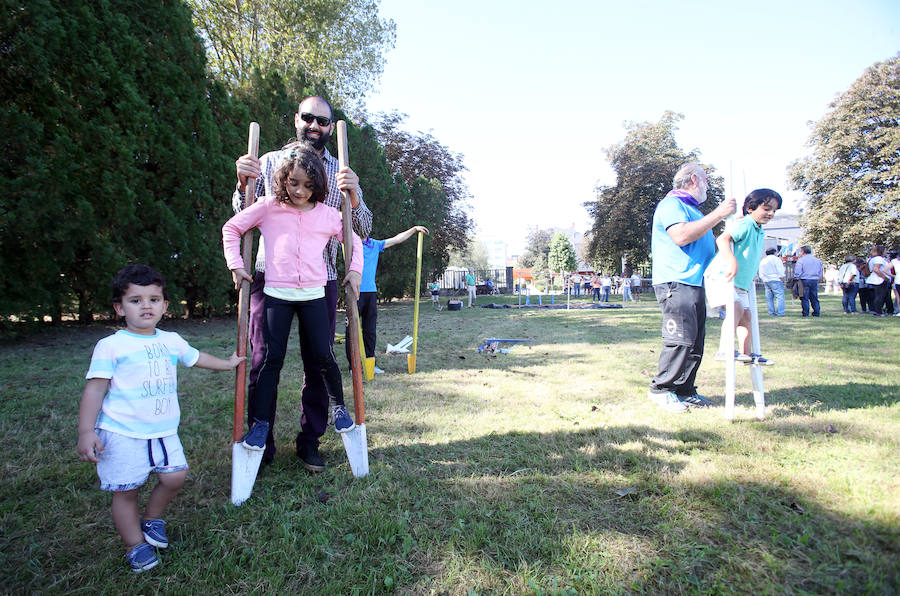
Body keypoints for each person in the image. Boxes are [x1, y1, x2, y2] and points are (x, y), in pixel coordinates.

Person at [233, 95, 372, 470]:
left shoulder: (340, 170)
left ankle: (310, 441)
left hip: (321, 282)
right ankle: (261, 444)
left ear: (331, 127)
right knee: (263, 361)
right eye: (308, 118)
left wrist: (354, 197)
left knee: (318, 361)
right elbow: (243, 216)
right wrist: (242, 182)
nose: (315, 126)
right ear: (296, 118)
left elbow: (361, 230)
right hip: (270, 279)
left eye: (323, 121)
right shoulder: (268, 163)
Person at [77, 265, 243, 573]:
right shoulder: (112, 345)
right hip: (122, 433)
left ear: (165, 306)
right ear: (119, 307)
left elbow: (196, 358)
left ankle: (153, 519)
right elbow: (95, 389)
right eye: (136, 300)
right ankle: (135, 544)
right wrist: (86, 431)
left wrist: (228, 364)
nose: (146, 306)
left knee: (174, 476)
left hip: (164, 431)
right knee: (126, 492)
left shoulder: (171, 340)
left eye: (154, 299)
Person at [648, 163, 736, 413]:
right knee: (680, 339)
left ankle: (685, 390)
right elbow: (682, 236)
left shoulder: (692, 210)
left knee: (695, 342)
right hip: (676, 281)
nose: (708, 187)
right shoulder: (671, 205)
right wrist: (718, 214)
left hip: (696, 282)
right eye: (707, 181)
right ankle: (661, 389)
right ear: (694, 179)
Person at [708, 189, 783, 365]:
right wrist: (732, 261)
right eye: (766, 208)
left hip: (741, 282)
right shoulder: (747, 224)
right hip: (722, 276)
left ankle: (747, 354)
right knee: (736, 309)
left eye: (774, 210)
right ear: (751, 208)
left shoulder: (759, 229)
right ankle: (724, 350)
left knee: (747, 316)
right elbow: (722, 240)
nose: (771, 213)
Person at [347, 225, 430, 373]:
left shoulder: (375, 244)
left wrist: (414, 229)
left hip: (371, 293)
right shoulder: (350, 243)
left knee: (370, 331)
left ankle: (370, 363)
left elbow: (397, 239)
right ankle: (353, 366)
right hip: (355, 292)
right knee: (352, 331)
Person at [793, 246, 823, 317]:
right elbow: (820, 271)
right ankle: (816, 312)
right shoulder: (817, 260)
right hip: (814, 280)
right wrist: (817, 278)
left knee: (804, 297)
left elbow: (798, 271)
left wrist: (796, 278)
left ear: (803, 252)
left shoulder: (801, 260)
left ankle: (805, 313)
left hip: (804, 280)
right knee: (814, 297)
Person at [758, 247, 786, 316]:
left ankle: (771, 312)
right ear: (774, 252)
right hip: (776, 279)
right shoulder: (776, 259)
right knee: (779, 296)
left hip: (767, 280)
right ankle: (780, 312)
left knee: (769, 297)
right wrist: (782, 276)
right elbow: (780, 269)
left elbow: (761, 271)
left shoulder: (763, 260)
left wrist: (763, 279)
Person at [865, 245, 891, 316]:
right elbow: (876, 269)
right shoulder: (879, 259)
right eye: (885, 250)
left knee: (879, 296)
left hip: (877, 279)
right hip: (879, 280)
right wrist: (884, 277)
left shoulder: (873, 259)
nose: (886, 252)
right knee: (880, 296)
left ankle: (877, 310)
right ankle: (878, 312)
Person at [890, 251, 900, 316]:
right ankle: (896, 310)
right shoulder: (894, 262)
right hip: (895, 281)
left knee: (898, 297)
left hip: (896, 281)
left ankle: (897, 310)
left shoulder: (894, 262)